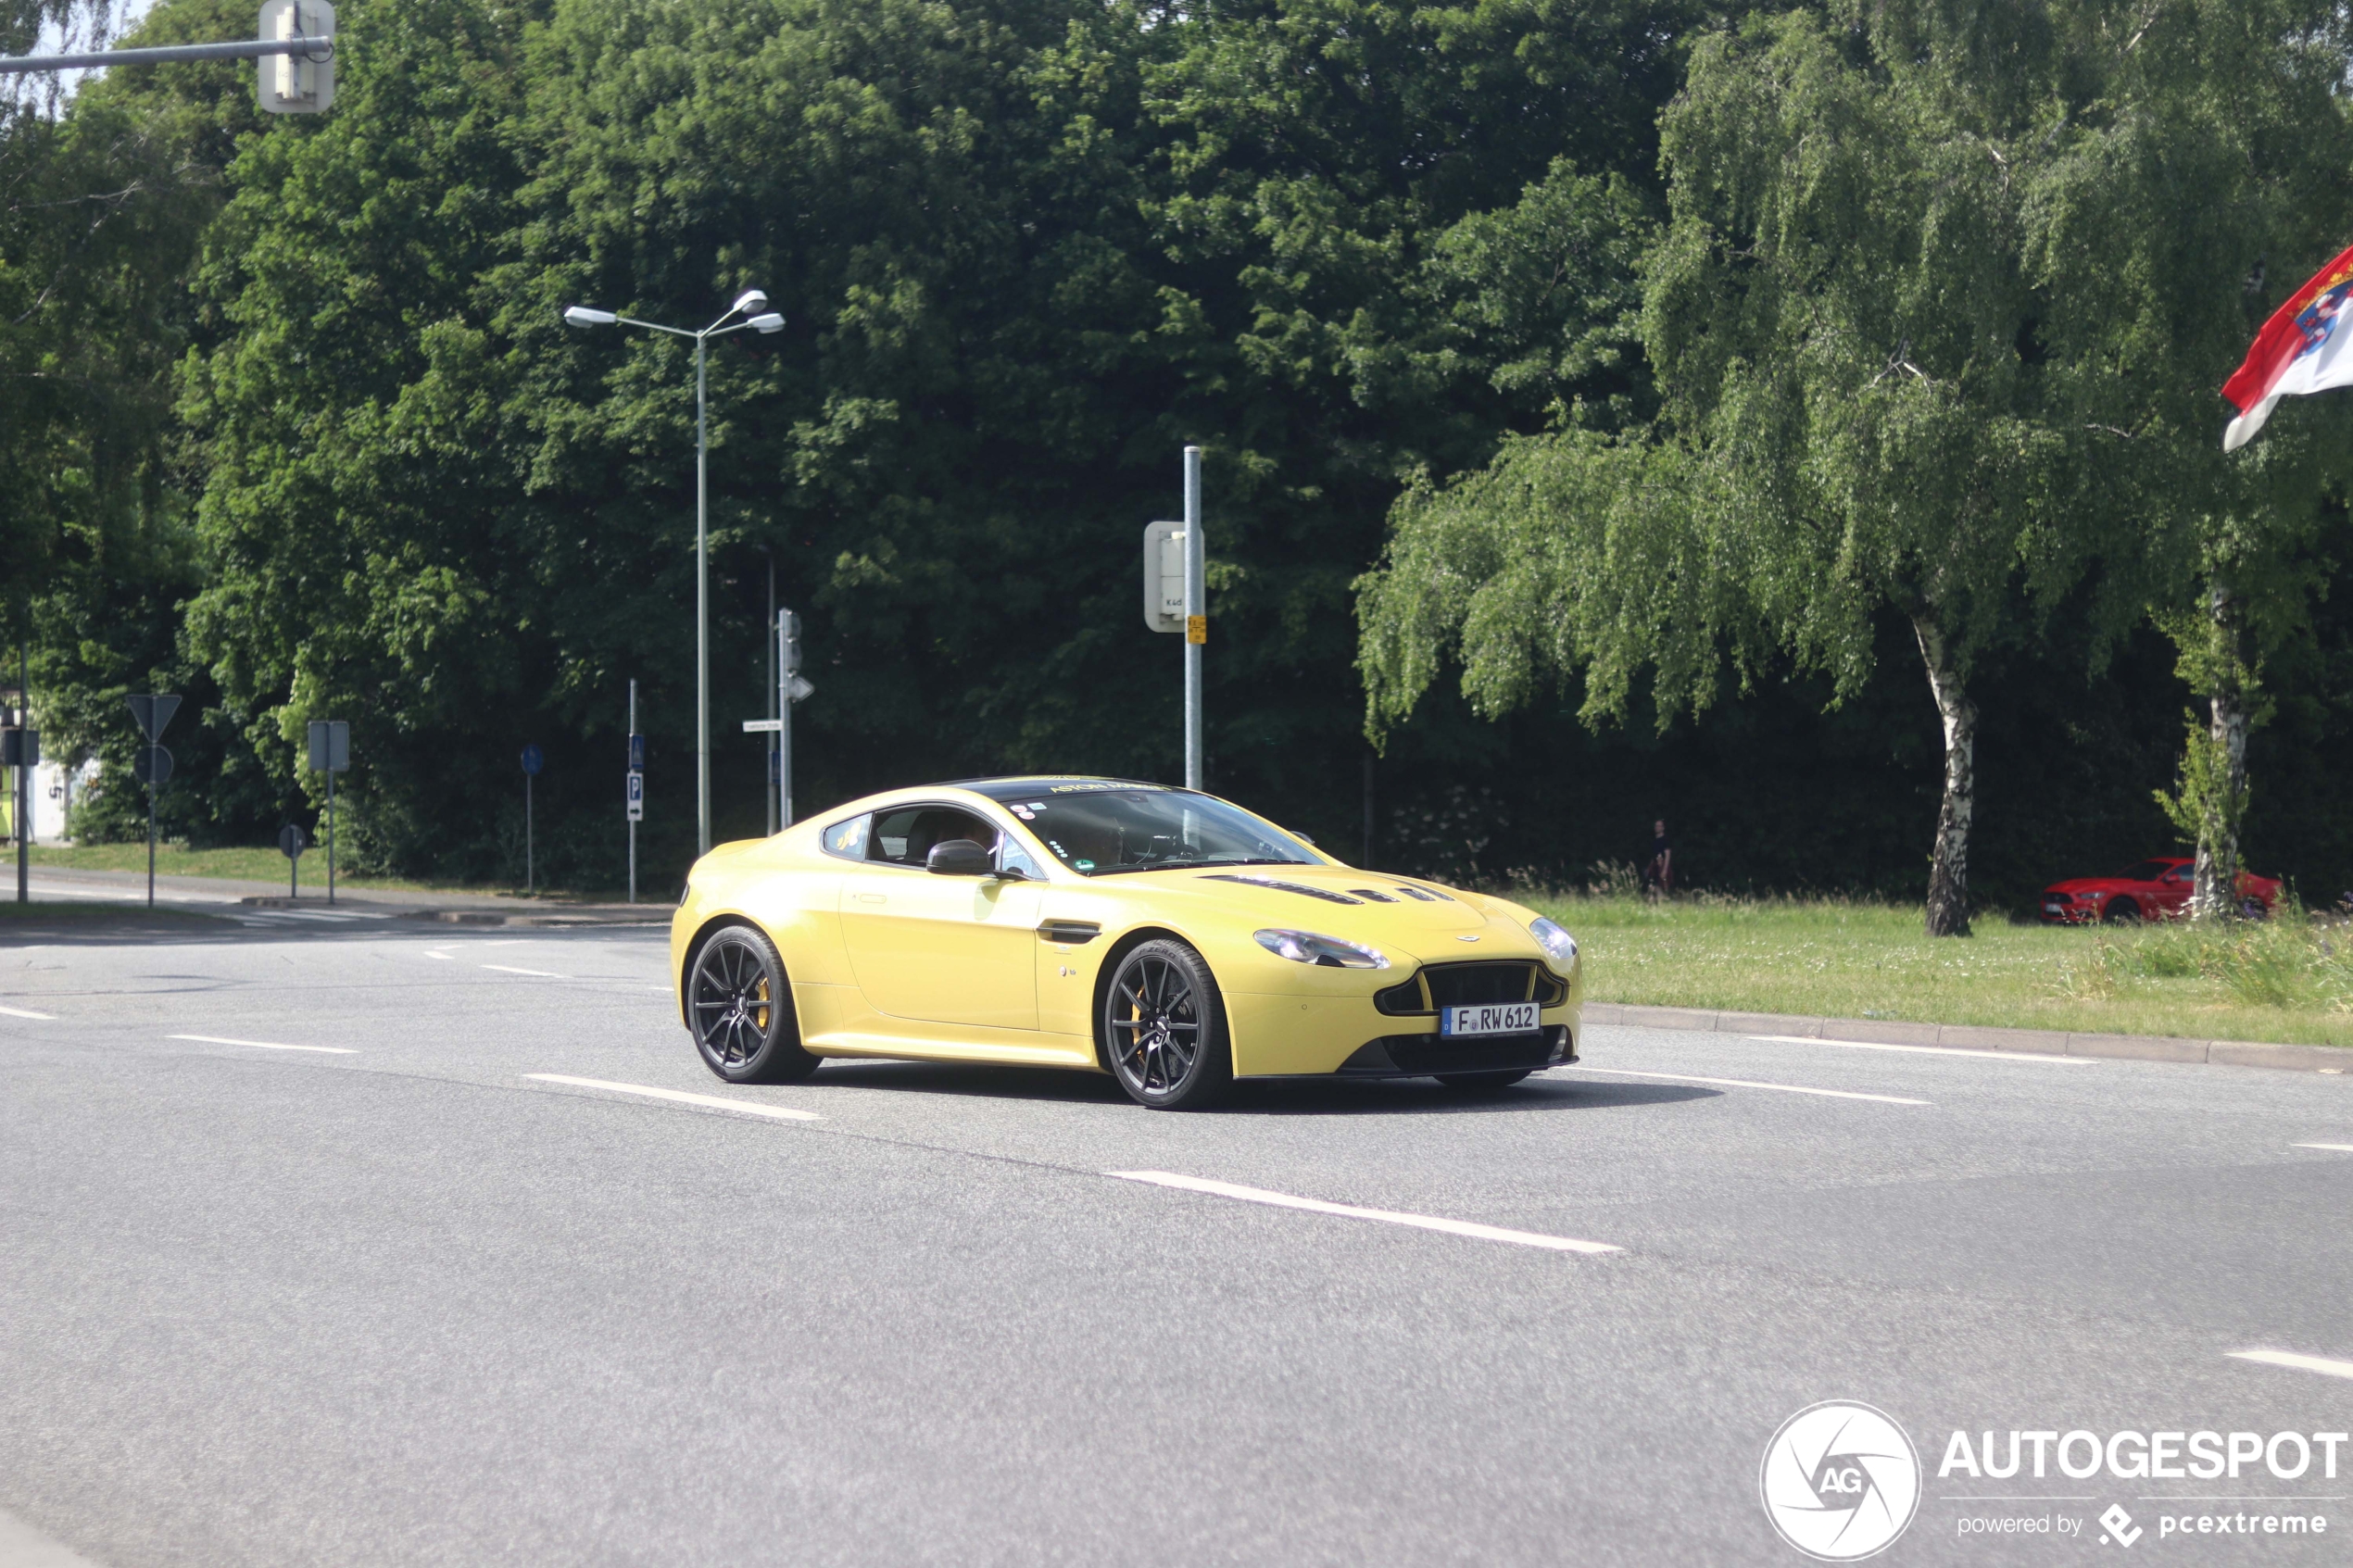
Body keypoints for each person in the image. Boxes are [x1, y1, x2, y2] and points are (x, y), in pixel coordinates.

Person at [1642, 819, 1673, 897]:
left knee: (1661, 886)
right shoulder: (1654, 840)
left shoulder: (1666, 840)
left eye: (1659, 826)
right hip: (1654, 867)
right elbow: (1653, 856)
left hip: (1662, 866)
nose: (1657, 827)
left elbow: (1667, 855)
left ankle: (1662, 902)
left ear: (1663, 828)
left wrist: (1665, 870)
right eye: (1656, 826)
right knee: (1652, 886)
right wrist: (1649, 868)